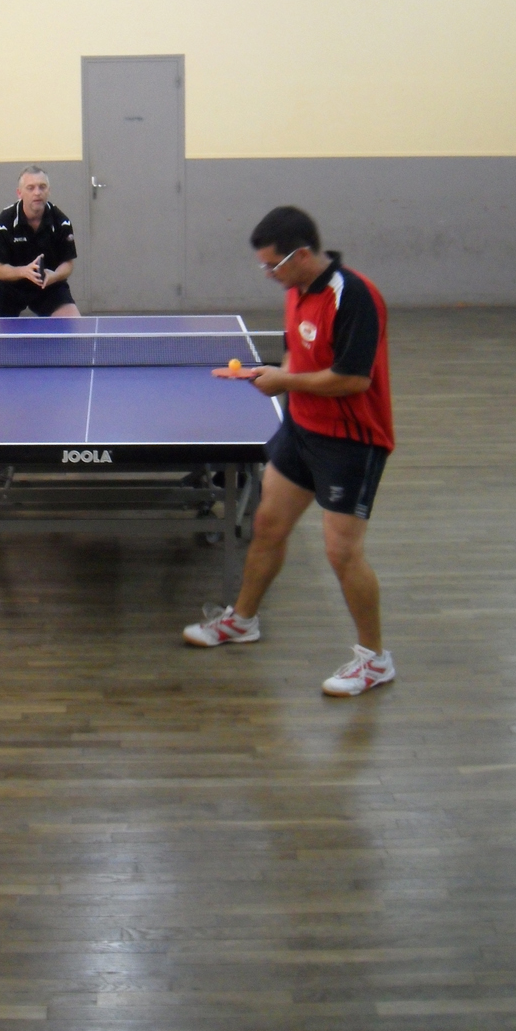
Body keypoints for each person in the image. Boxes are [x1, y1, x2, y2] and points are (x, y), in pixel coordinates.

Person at [183, 206, 396, 697]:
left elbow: (353, 379)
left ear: (301, 255)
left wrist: (285, 381)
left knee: (341, 552)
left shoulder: (354, 296)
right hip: (302, 428)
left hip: (351, 440)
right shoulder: (295, 290)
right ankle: (242, 620)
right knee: (267, 525)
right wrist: (271, 373)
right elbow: (297, 355)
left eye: (272, 265)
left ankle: (375, 660)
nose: (267, 274)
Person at [0, 166, 81, 318]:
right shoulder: (5, 222)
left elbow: (68, 263)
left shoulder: (61, 222)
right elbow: (1, 270)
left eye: (42, 187)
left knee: (73, 324)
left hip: (47, 283)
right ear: (19, 193)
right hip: (8, 285)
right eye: (30, 188)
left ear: (49, 191)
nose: (37, 192)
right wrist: (24, 271)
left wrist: (54, 276)